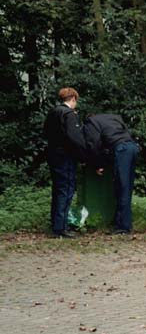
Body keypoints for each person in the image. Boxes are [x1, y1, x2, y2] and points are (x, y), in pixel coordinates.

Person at [83, 114, 140, 235]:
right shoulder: (114, 117)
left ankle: (123, 226)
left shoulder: (90, 122)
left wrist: (98, 164)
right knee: (127, 187)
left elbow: (93, 144)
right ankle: (124, 222)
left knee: (121, 187)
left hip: (121, 150)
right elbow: (125, 132)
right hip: (132, 147)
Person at [43, 88, 86, 238]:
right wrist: (83, 155)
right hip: (66, 157)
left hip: (53, 155)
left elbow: (45, 133)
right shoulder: (69, 114)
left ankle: (55, 224)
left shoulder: (53, 112)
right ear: (73, 98)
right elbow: (75, 138)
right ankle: (61, 228)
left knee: (57, 189)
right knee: (66, 190)